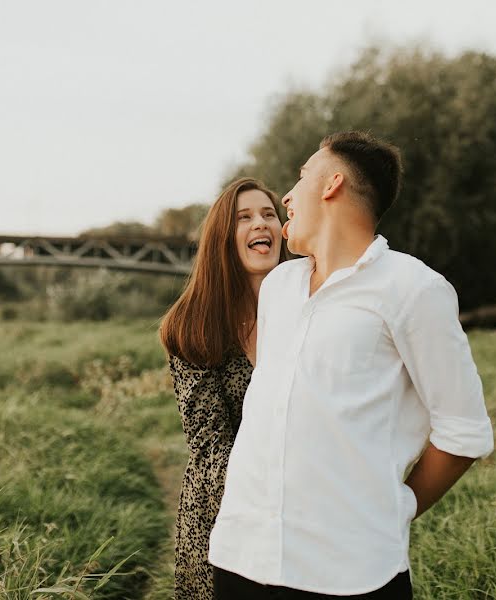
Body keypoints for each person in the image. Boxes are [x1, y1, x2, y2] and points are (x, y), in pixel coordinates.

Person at [209, 132, 494, 599]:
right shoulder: (279, 286)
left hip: (351, 572)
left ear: (331, 184)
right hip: (240, 558)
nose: (286, 197)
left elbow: (464, 433)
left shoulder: (414, 289)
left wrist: (396, 508)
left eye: (300, 178)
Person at [159, 176, 286, 600]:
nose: (261, 224)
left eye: (269, 214)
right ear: (223, 237)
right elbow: (210, 443)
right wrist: (279, 492)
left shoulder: (306, 311)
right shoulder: (191, 325)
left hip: (302, 515)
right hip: (221, 513)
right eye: (244, 218)